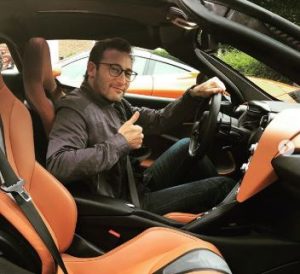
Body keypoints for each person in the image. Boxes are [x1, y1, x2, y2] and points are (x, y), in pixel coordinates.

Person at [46, 37, 235, 215]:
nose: (122, 81)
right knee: (223, 187)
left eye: (127, 73)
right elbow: (59, 164)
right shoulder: (75, 109)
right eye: (114, 69)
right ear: (92, 69)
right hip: (125, 206)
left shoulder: (114, 103)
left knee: (186, 145)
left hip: (135, 184)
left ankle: (202, 217)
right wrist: (121, 142)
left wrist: (193, 95)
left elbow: (158, 120)